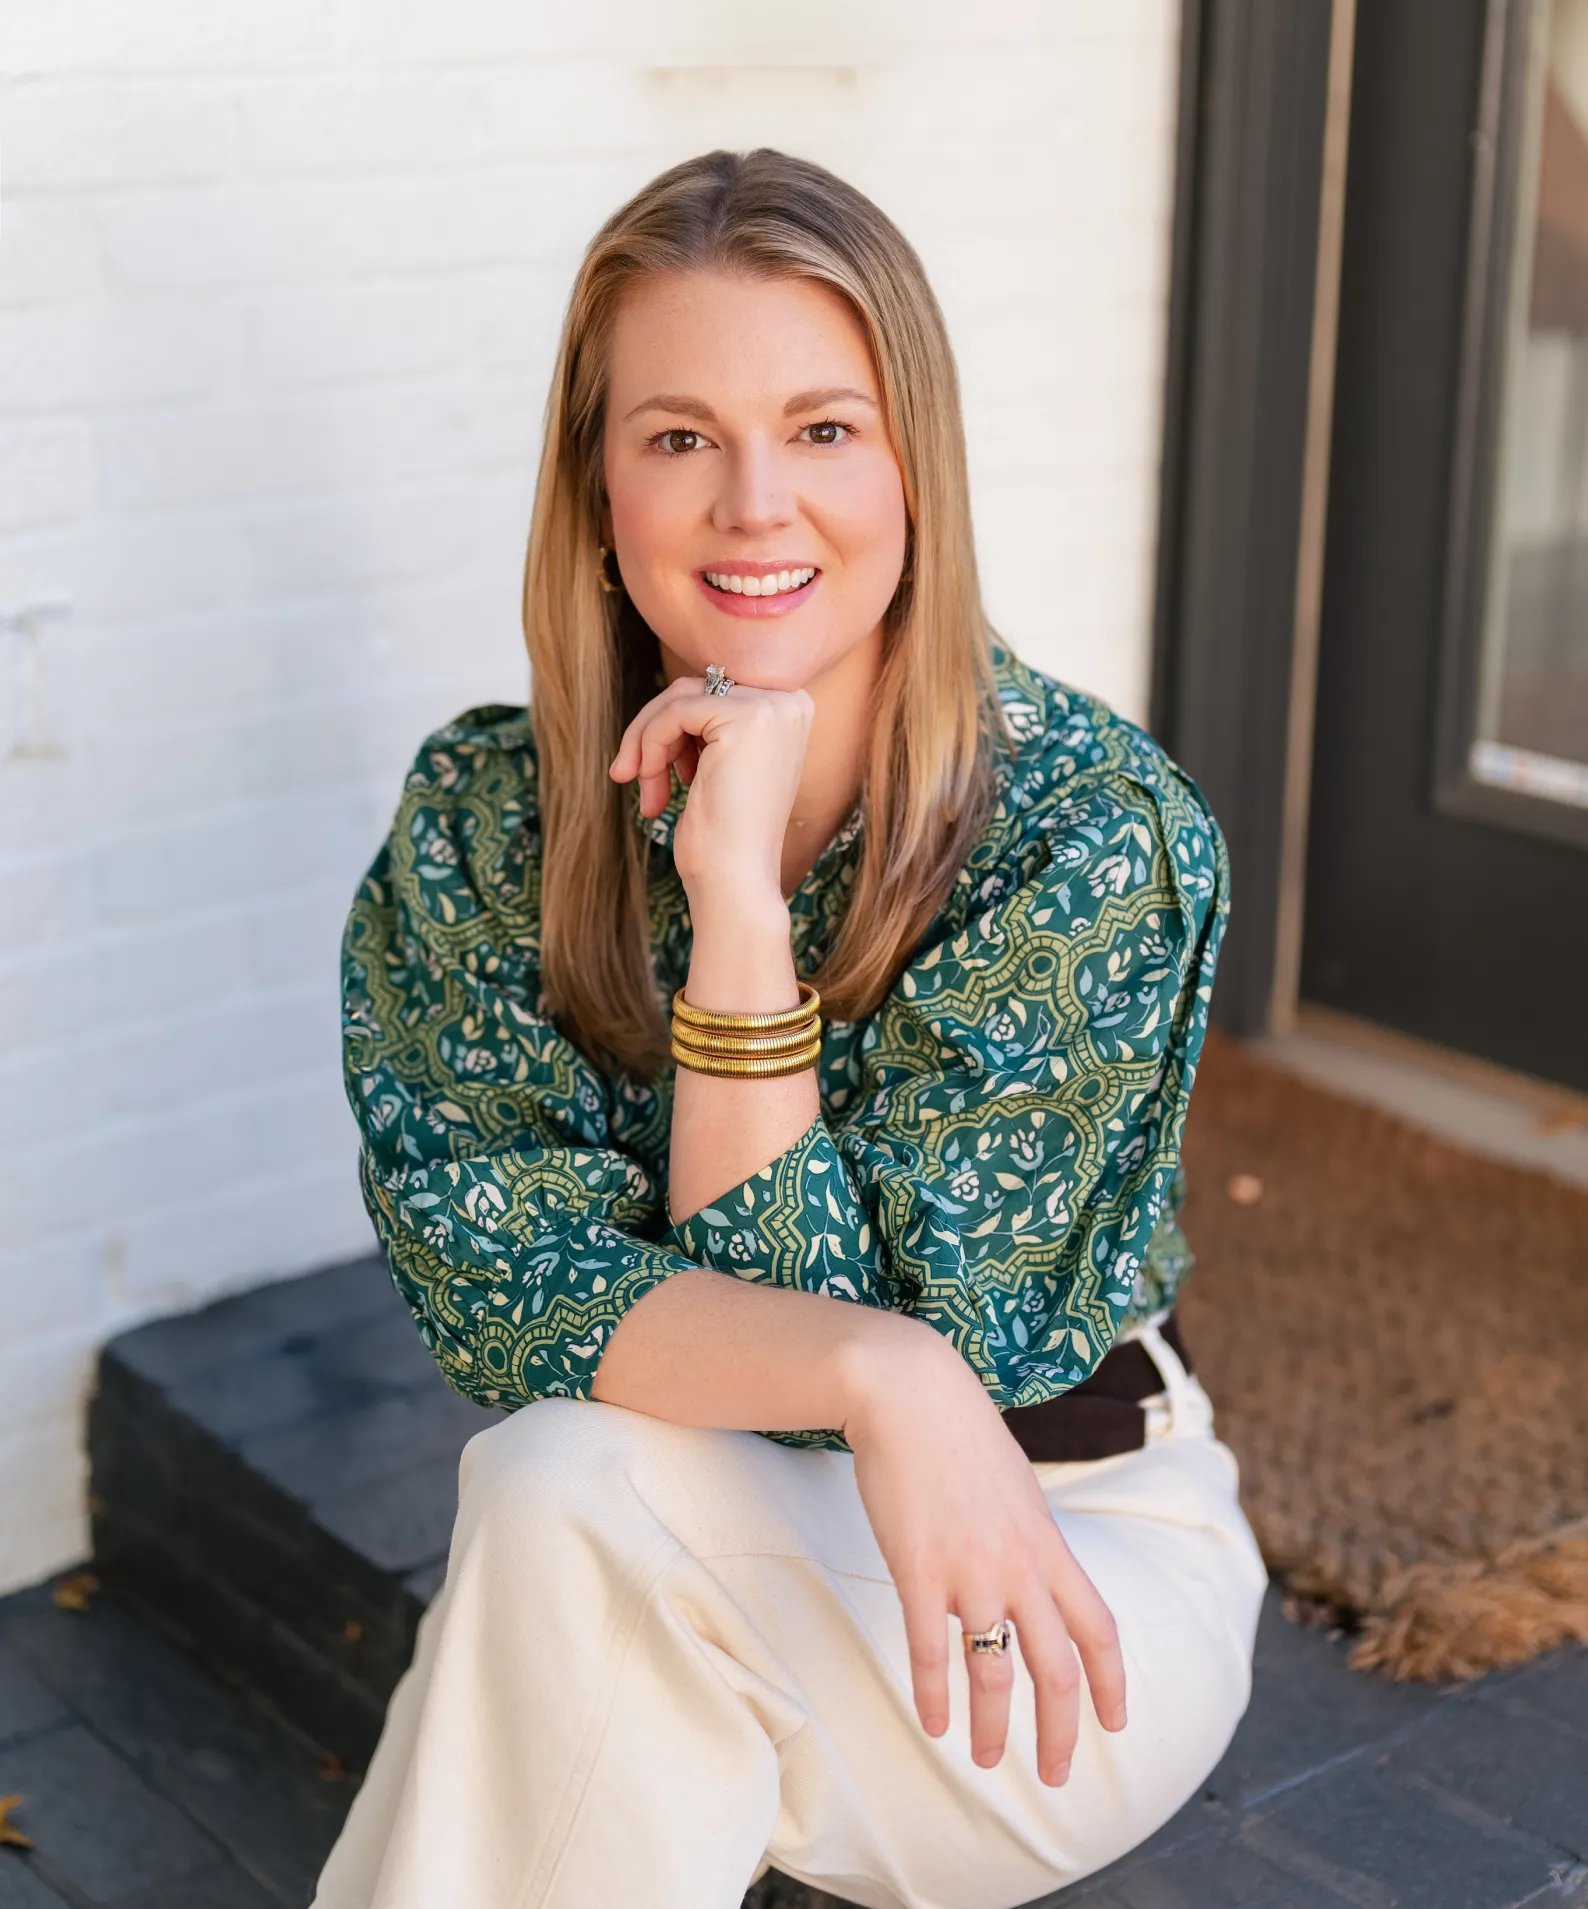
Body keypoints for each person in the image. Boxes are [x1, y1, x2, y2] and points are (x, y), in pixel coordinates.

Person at [312, 147, 1266, 1909]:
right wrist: (880, 1365)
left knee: (568, 1506)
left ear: (920, 469)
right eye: (680, 437)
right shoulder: (477, 819)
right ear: (600, 493)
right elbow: (499, 1286)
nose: (756, 504)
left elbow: (802, 1415)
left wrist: (739, 923)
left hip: (1054, 1582)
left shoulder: (1090, 834)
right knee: (568, 1492)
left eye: (825, 428)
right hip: (661, 1526)